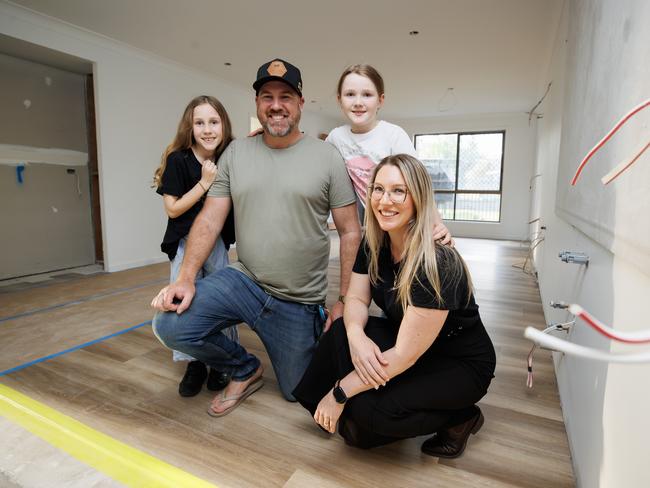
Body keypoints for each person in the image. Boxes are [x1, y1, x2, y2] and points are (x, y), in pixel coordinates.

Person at [151, 59, 361, 417]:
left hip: (298, 301)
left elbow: (350, 230)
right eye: (267, 97)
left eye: (285, 96)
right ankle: (244, 369)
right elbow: (209, 219)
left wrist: (344, 300)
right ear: (257, 104)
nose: (276, 105)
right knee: (170, 323)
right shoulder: (236, 153)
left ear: (300, 104)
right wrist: (185, 278)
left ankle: (293, 345)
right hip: (244, 282)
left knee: (297, 393)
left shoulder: (327, 158)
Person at [293, 154, 496, 458]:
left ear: (418, 198)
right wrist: (356, 336)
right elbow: (357, 298)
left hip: (457, 362)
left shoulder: (436, 262)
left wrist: (341, 392)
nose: (384, 200)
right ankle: (343, 407)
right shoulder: (374, 243)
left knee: (366, 416)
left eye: (398, 191)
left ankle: (461, 417)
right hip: (410, 341)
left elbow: (404, 354)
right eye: (378, 189)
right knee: (339, 331)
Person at [152, 95, 238, 397]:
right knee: (183, 301)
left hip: (216, 243)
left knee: (221, 301)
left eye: (214, 122)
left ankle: (222, 362)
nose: (207, 129)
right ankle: (195, 363)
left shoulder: (230, 156)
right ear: (190, 127)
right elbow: (173, 209)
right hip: (184, 242)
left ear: (224, 125)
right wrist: (203, 183)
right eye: (199, 122)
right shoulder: (179, 159)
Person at [326, 64, 448, 245]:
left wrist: (436, 224)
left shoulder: (393, 135)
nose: (358, 102)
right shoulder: (336, 137)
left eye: (367, 95)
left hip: (410, 222)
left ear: (380, 100)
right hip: (380, 224)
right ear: (339, 99)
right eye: (350, 94)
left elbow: (420, 183)